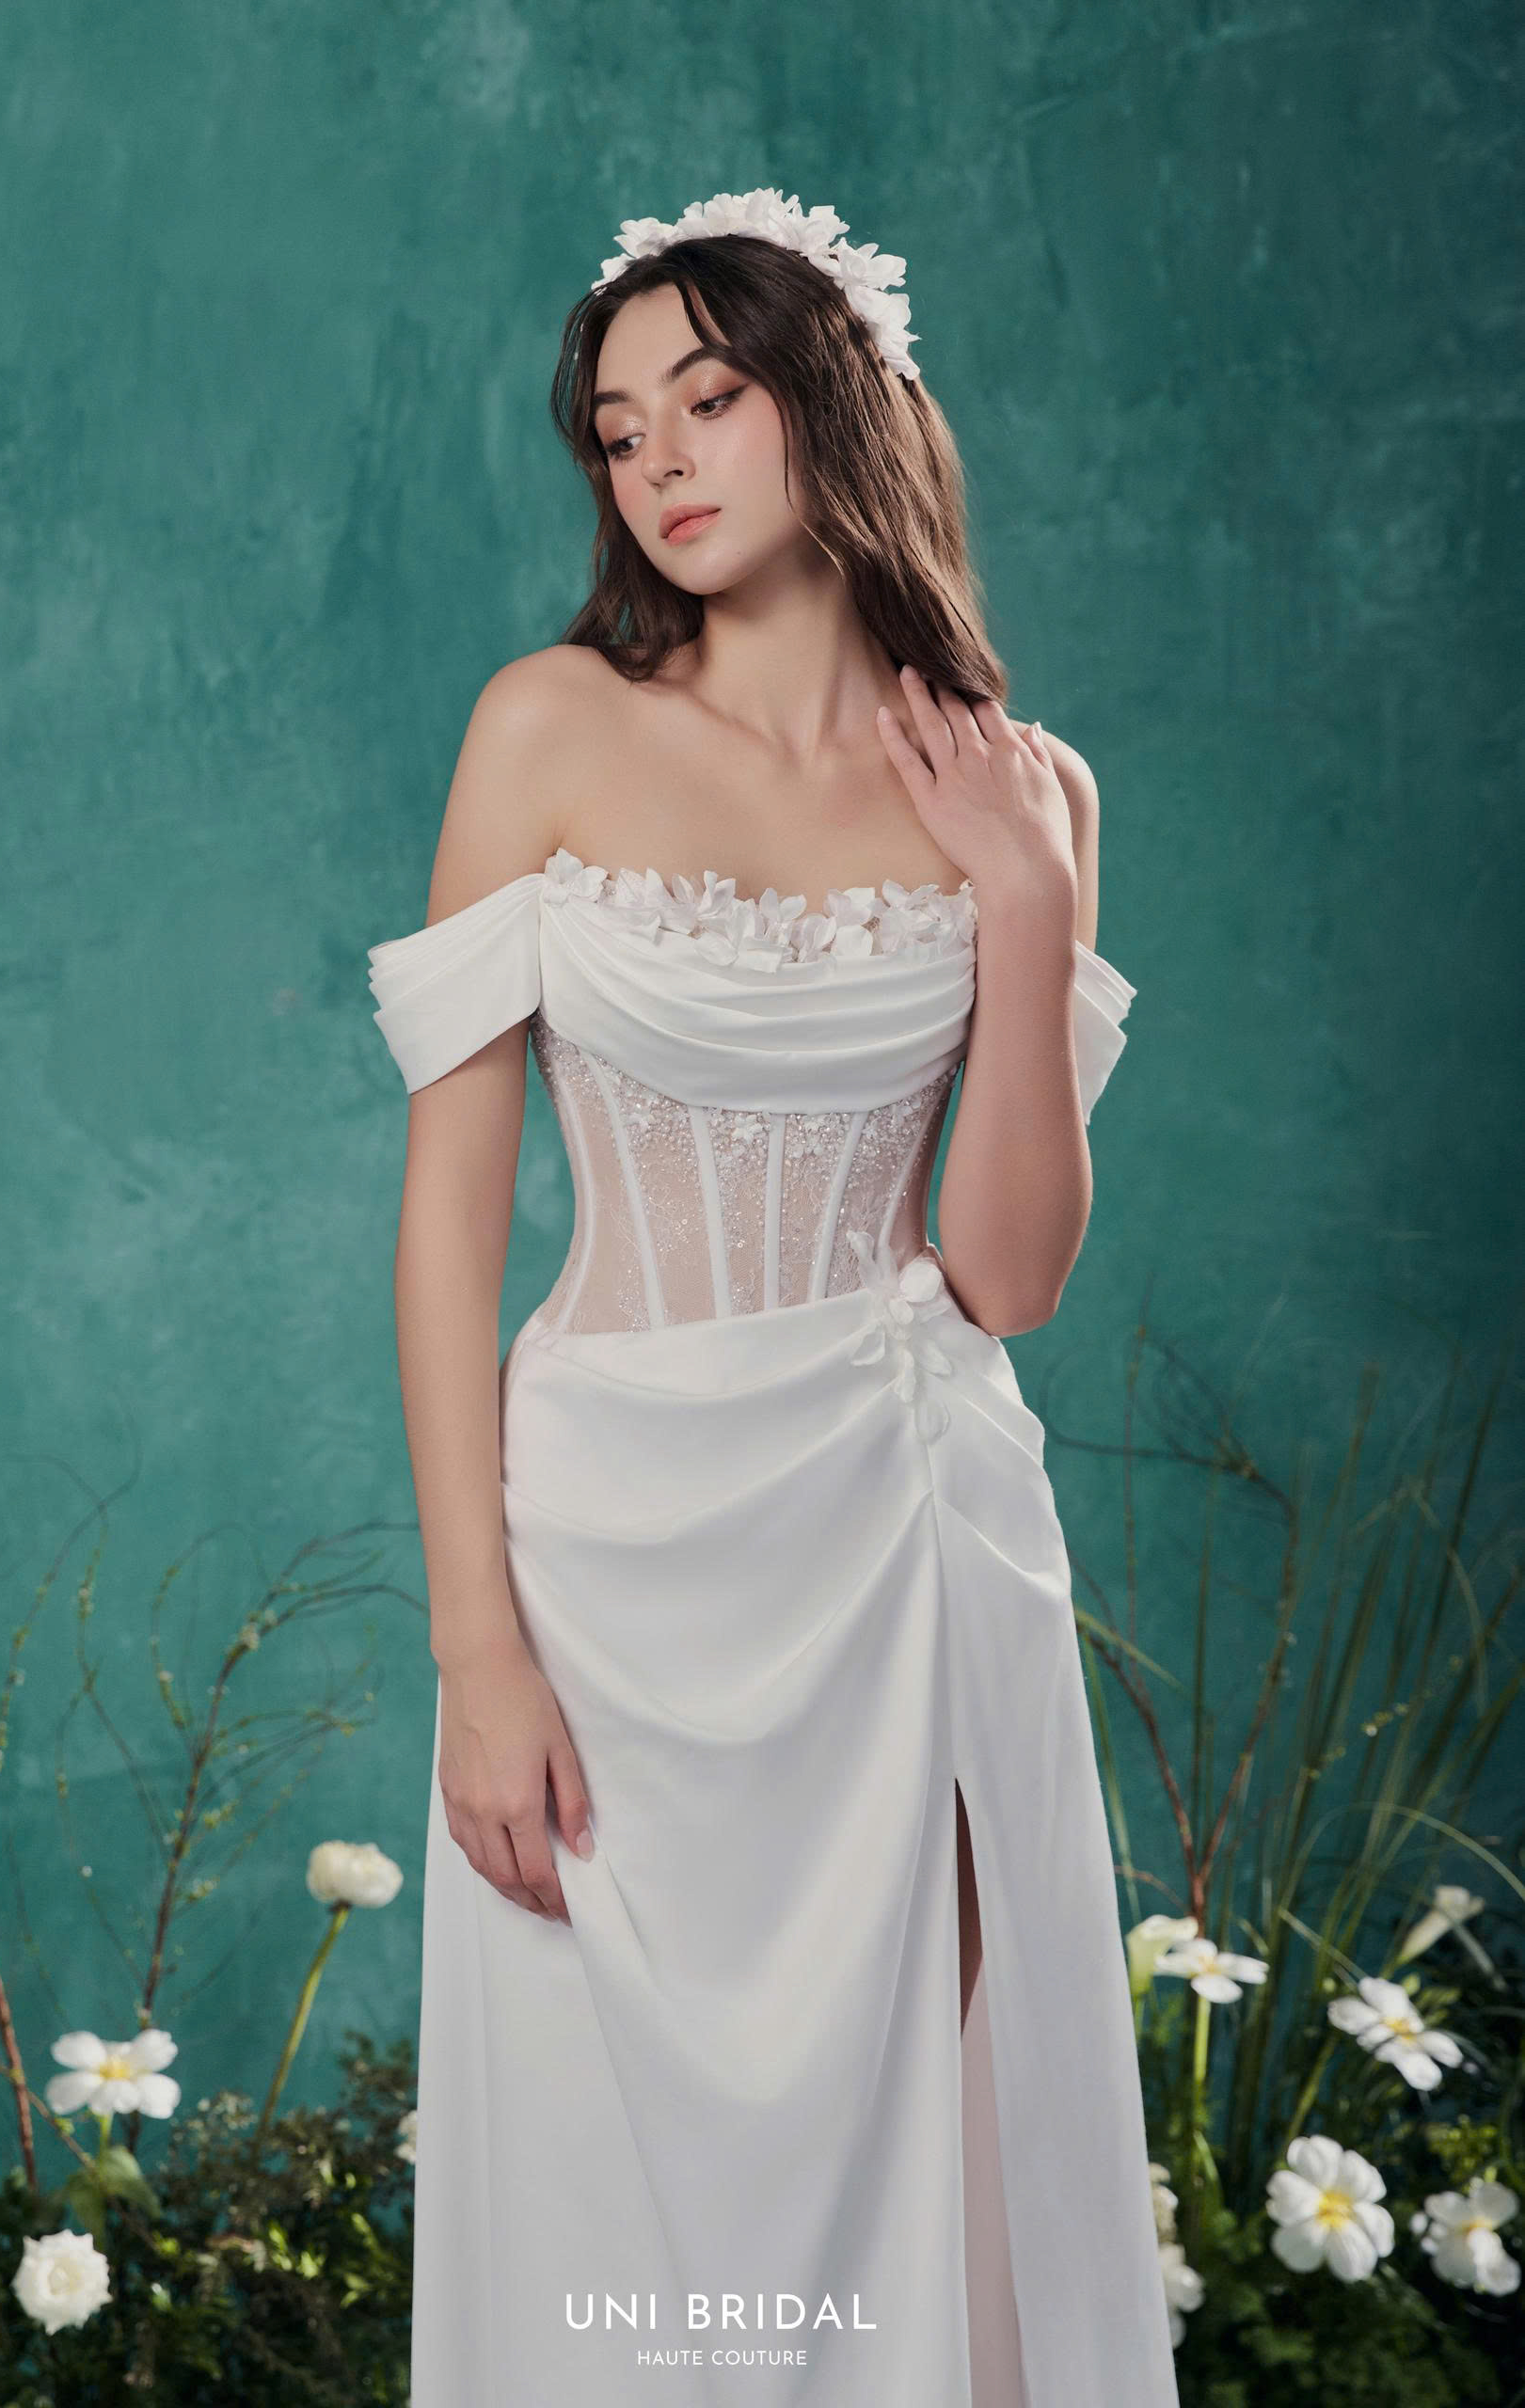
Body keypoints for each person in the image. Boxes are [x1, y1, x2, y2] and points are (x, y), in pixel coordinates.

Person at [367, 188, 1179, 2408]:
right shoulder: (543, 728)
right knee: (610, 2201)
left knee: (918, 2139)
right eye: (619, 431)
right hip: (609, 1552)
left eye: (705, 398)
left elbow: (1003, 1272)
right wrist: (472, 1642)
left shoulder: (1024, 790)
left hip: (903, 1533)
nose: (659, 461)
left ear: (834, 396)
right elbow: (446, 1222)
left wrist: (1021, 902)